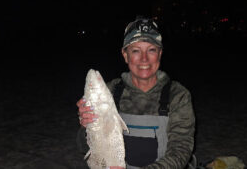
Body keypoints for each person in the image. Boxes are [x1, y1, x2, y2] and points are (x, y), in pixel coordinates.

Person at [76, 17, 196, 169]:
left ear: (160, 54)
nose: (144, 59)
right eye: (136, 51)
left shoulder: (177, 95)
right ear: (125, 55)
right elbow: (85, 148)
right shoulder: (110, 92)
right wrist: (86, 127)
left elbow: (181, 151)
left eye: (151, 50)